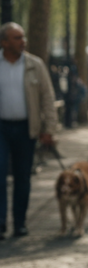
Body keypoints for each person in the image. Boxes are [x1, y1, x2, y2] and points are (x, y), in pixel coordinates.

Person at [0, 22, 58, 239]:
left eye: (23, 37)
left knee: (23, 177)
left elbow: (47, 98)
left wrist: (49, 129)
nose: (22, 41)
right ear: (4, 42)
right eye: (17, 38)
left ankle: (20, 222)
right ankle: (0, 222)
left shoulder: (35, 65)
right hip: (2, 128)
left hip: (27, 129)